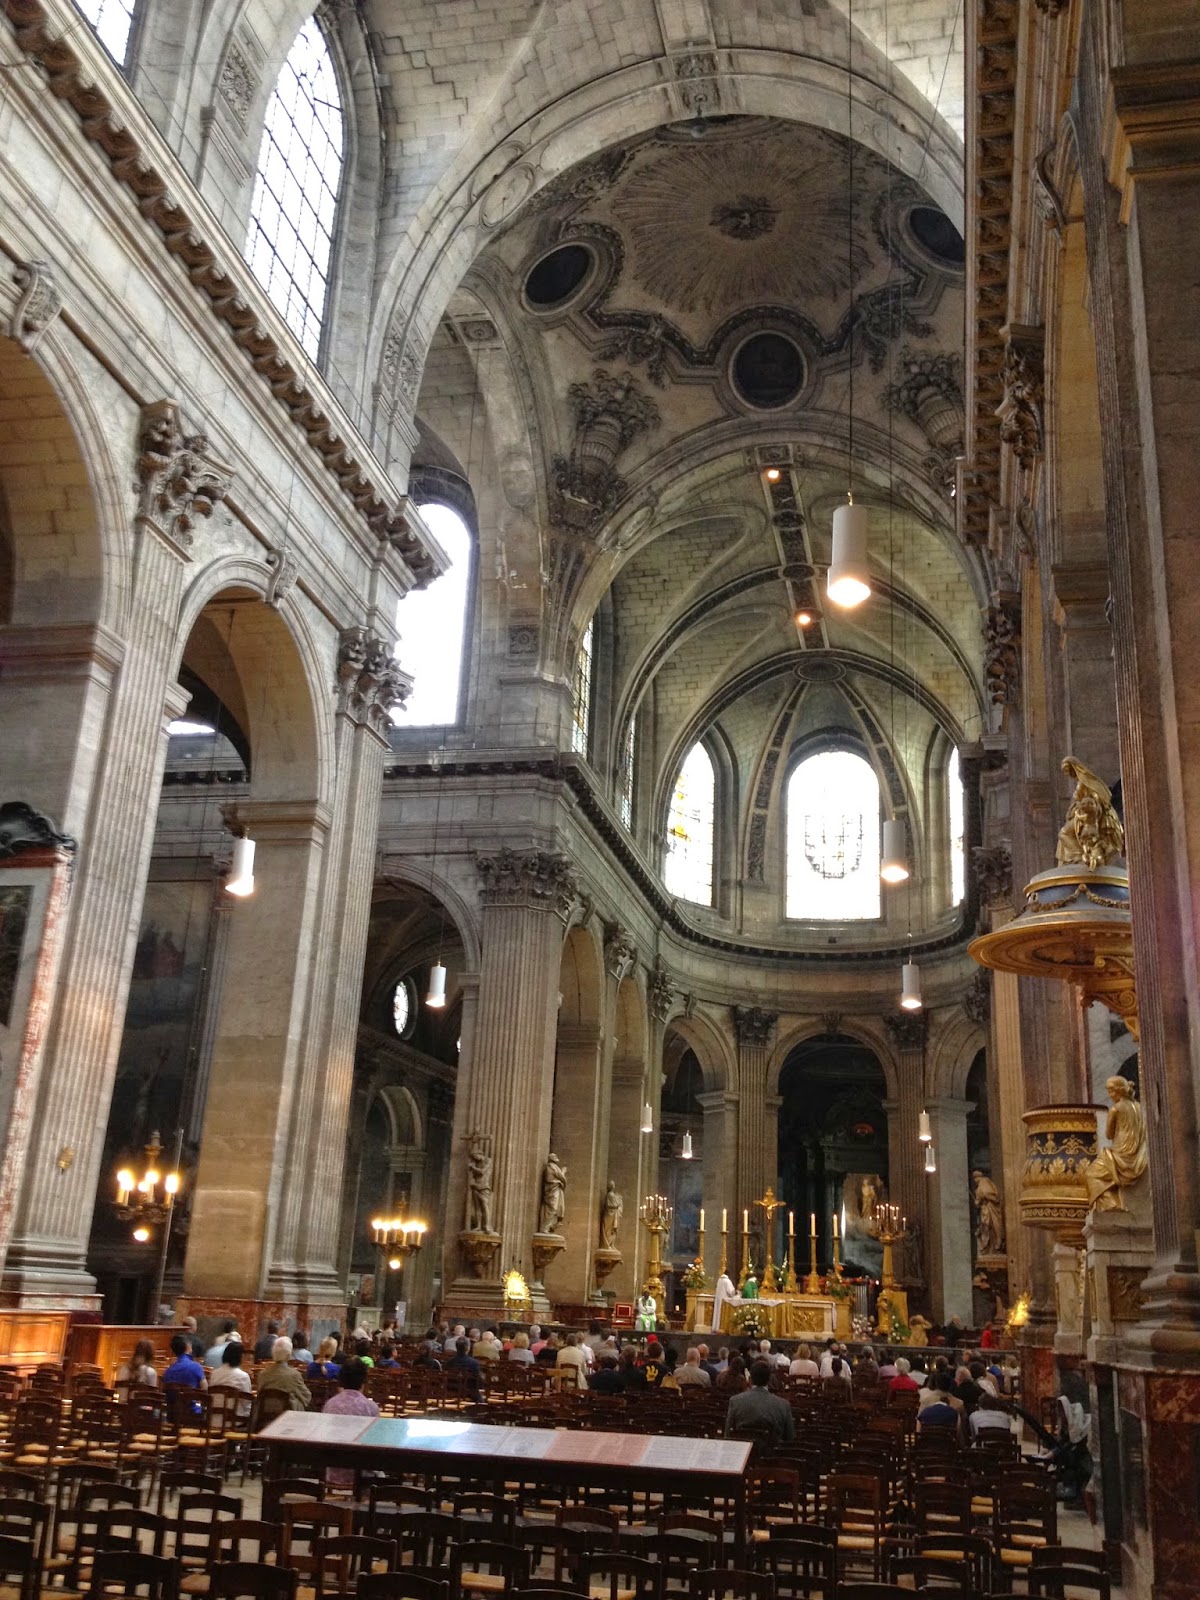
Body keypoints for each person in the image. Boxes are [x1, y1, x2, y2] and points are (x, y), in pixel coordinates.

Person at [321, 1359, 380, 1487]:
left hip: (331, 1470)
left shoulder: (330, 1404)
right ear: (364, 1381)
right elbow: (374, 1444)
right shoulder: (370, 1407)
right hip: (360, 1473)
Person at [724, 1360, 796, 1444]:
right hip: (772, 1454)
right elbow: (790, 1439)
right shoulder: (783, 1405)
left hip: (744, 1453)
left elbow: (728, 1435)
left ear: (750, 1378)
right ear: (769, 1379)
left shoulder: (735, 1401)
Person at [257, 1337, 311, 1411]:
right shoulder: (294, 1375)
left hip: (265, 1417)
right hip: (288, 1417)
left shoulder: (263, 1374)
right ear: (288, 1355)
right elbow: (306, 1396)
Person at [208, 1341, 253, 1418]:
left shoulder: (214, 1373)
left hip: (214, 1419)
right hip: (234, 1421)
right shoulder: (243, 1376)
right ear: (240, 1357)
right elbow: (247, 1402)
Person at [712, 1269, 737, 1334]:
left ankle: (716, 1327)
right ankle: (721, 1328)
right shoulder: (727, 1281)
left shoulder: (719, 1280)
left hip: (718, 1299)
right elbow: (730, 1292)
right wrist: (735, 1292)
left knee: (717, 1313)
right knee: (722, 1314)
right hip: (724, 1301)